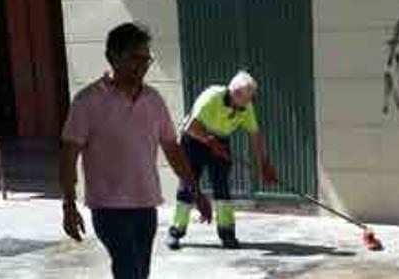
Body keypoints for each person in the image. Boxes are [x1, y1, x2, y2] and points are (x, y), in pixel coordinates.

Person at [60, 23, 211, 279]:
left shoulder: (153, 100)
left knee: (141, 271)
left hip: (145, 204)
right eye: (135, 58)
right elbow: (68, 156)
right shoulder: (87, 101)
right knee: (129, 269)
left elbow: (172, 149)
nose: (142, 65)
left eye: (146, 58)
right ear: (113, 57)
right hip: (109, 208)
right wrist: (69, 205)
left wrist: (196, 191)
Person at [164, 71, 278, 250]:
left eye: (250, 100)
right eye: (246, 100)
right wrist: (209, 141)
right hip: (194, 139)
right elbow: (191, 126)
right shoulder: (211, 97)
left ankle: (227, 233)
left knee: (222, 186)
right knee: (187, 185)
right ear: (235, 94)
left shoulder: (245, 106)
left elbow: (255, 135)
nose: (248, 104)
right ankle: (175, 231)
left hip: (220, 140)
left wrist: (264, 163)